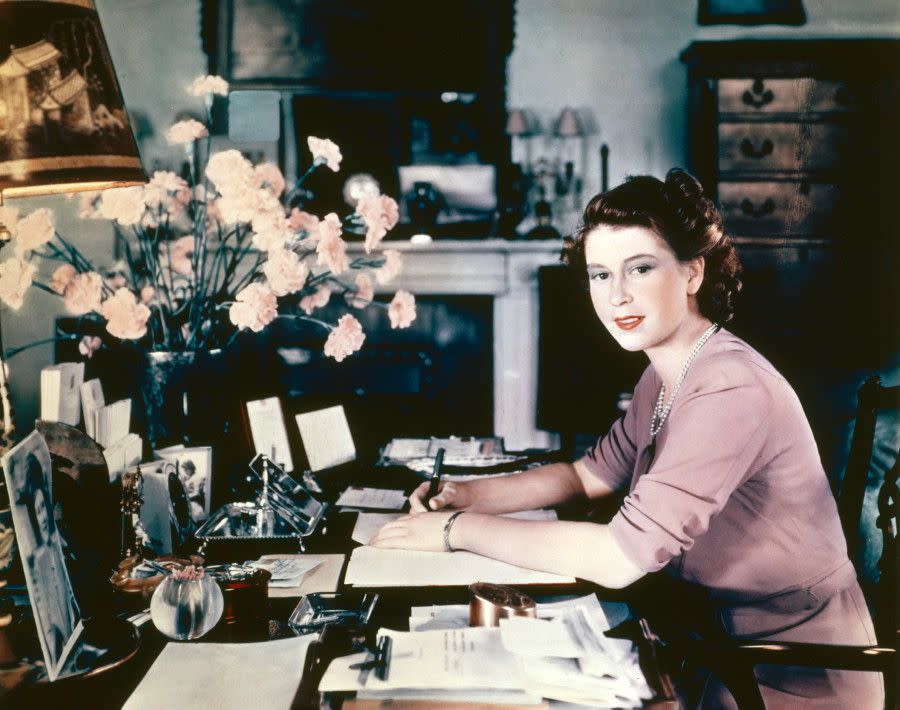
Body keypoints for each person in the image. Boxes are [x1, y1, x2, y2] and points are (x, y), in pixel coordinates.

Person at [371, 169, 883, 708]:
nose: (617, 296)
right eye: (599, 275)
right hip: (708, 646)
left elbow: (620, 557)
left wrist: (456, 529)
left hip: (792, 673)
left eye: (640, 268)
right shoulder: (666, 372)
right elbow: (584, 476)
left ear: (692, 273)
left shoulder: (730, 387)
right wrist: (468, 494)